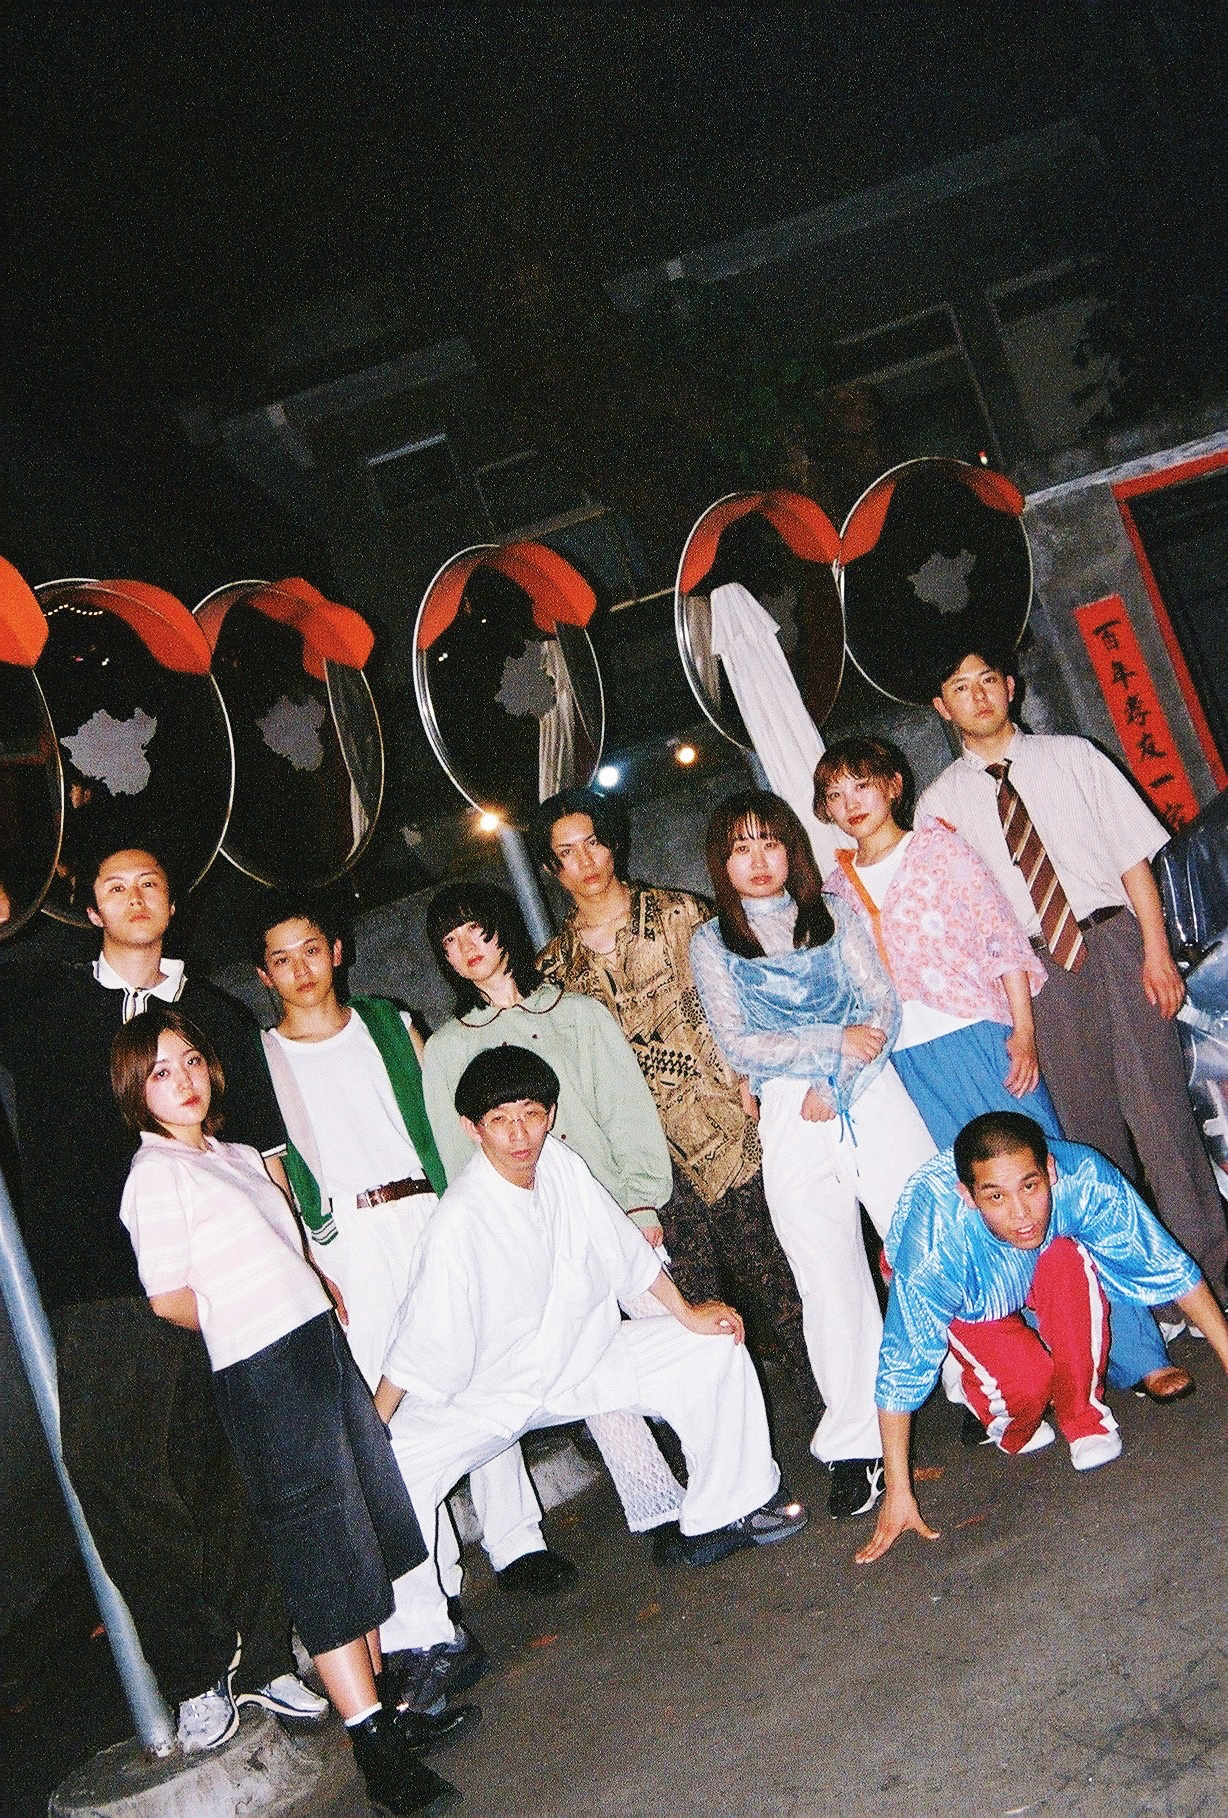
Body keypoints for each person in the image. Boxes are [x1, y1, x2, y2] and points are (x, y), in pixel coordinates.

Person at [0, 846, 324, 1750]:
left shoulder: (213, 1013)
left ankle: (265, 1661)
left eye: (150, 884)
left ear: (174, 903)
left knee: (231, 1471)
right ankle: (194, 1672)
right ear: (90, 910)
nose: (135, 898)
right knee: (115, 1476)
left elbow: (262, 1153)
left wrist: (301, 1263)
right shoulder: (44, 1001)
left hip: (219, 1279)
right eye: (116, 887)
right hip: (100, 1286)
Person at [112, 1008, 469, 1816]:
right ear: (137, 1089)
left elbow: (288, 1245)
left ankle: (384, 1713)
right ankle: (374, 1750)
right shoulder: (155, 1175)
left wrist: (309, 1289)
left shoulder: (236, 1156)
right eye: (161, 1071)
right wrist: (245, 1316)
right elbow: (168, 1297)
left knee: (361, 1536)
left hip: (318, 1350)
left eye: (191, 1061)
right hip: (263, 1371)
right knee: (320, 1554)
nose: (184, 1080)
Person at [373, 1043, 807, 1660]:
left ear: (550, 1114)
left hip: (586, 1358)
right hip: (494, 1392)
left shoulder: (561, 1164)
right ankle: (422, 1646)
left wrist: (687, 1313)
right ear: (473, 1130)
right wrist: (377, 1420)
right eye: (500, 1120)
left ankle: (724, 1512)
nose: (519, 1134)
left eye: (530, 1114)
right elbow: (420, 1340)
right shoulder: (459, 1219)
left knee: (713, 1347)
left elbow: (624, 1251)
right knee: (396, 1465)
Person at [252, 898, 570, 1710]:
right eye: (282, 958)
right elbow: (274, 1167)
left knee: (476, 1365)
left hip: (425, 1206)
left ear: (337, 950)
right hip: (343, 1241)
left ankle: (517, 1539)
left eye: (311, 949)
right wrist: (304, 1258)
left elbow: (446, 1118)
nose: (300, 968)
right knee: (385, 1410)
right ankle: (432, 1577)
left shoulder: (388, 1023)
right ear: (264, 974)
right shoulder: (262, 1056)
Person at [817, 736, 1187, 1404]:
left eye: (862, 786)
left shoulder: (938, 849)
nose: (851, 805)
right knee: (989, 1211)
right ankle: (1068, 1366)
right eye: (835, 795)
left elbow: (1002, 939)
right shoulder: (835, 889)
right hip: (910, 1062)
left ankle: (1141, 1352)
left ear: (893, 785)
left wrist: (1022, 1030)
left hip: (981, 1036)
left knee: (1052, 1185)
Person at [918, 647, 1228, 1294]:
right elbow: (959, 920)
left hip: (1115, 944)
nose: (979, 696)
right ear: (943, 707)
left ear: (1010, 687)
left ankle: (1213, 1274)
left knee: (1164, 1117)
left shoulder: (1074, 756)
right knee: (1088, 1138)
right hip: (1034, 975)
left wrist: (1155, 951)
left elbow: (1132, 860)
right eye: (961, 688)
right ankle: (1147, 1292)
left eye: (988, 681)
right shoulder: (938, 807)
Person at [531, 788, 823, 1438]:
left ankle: (842, 1437)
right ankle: (739, 1463)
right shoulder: (552, 970)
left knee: (784, 1290)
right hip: (647, 1168)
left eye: (593, 842)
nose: (586, 861)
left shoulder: (682, 915)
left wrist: (752, 1078)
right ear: (552, 868)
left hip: (729, 1131)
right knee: (693, 1316)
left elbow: (746, 998)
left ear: (614, 843)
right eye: (567, 852)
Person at [690, 790, 937, 1518]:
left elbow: (881, 1005)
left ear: (791, 847)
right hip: (789, 1114)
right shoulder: (712, 943)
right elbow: (739, 1043)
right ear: (722, 862)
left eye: (769, 842)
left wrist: (841, 1079)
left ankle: (978, 1387)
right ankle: (858, 1444)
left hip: (871, 1092)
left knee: (925, 1239)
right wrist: (830, 1047)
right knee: (827, 1278)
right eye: (740, 848)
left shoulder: (832, 910)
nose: (757, 861)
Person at [857, 1111, 1228, 1566]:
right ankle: (997, 1407)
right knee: (1029, 1384)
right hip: (973, 1291)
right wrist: (899, 1489)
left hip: (1047, 1259)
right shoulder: (932, 1249)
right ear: (968, 1196)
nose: (1020, 1214)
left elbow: (1166, 1264)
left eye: (1030, 1187)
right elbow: (902, 1363)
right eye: (996, 1196)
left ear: (1051, 1171)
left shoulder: (1085, 1178)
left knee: (1068, 1259)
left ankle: (1084, 1415)